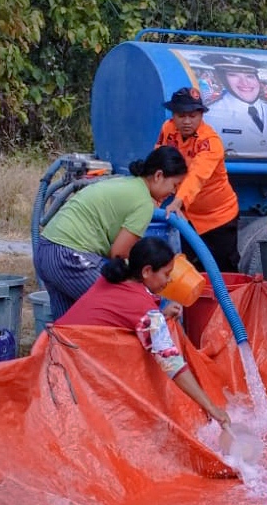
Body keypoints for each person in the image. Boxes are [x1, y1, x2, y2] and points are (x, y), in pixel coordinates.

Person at [58, 236, 232, 428]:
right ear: (147, 271)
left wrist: (160, 315)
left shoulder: (116, 278)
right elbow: (172, 363)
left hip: (57, 347)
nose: (169, 281)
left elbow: (122, 313)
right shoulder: (143, 309)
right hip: (68, 366)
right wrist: (211, 408)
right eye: (166, 274)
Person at [36, 146, 187, 319]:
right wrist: (146, 294)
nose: (174, 192)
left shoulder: (128, 183)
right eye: (174, 185)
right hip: (68, 255)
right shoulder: (143, 202)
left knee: (69, 327)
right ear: (158, 176)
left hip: (46, 249)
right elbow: (119, 253)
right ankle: (156, 322)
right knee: (123, 301)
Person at [156, 88, 241, 273]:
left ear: (201, 115)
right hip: (187, 216)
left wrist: (177, 202)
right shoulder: (167, 129)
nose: (187, 121)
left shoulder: (210, 141)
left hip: (219, 216)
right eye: (181, 115)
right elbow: (159, 164)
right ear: (173, 115)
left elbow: (197, 175)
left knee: (223, 272)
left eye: (193, 115)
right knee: (179, 266)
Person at [203, 54, 267, 158]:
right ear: (223, 79)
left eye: (250, 76)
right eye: (233, 75)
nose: (244, 82)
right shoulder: (209, 115)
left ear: (258, 79)